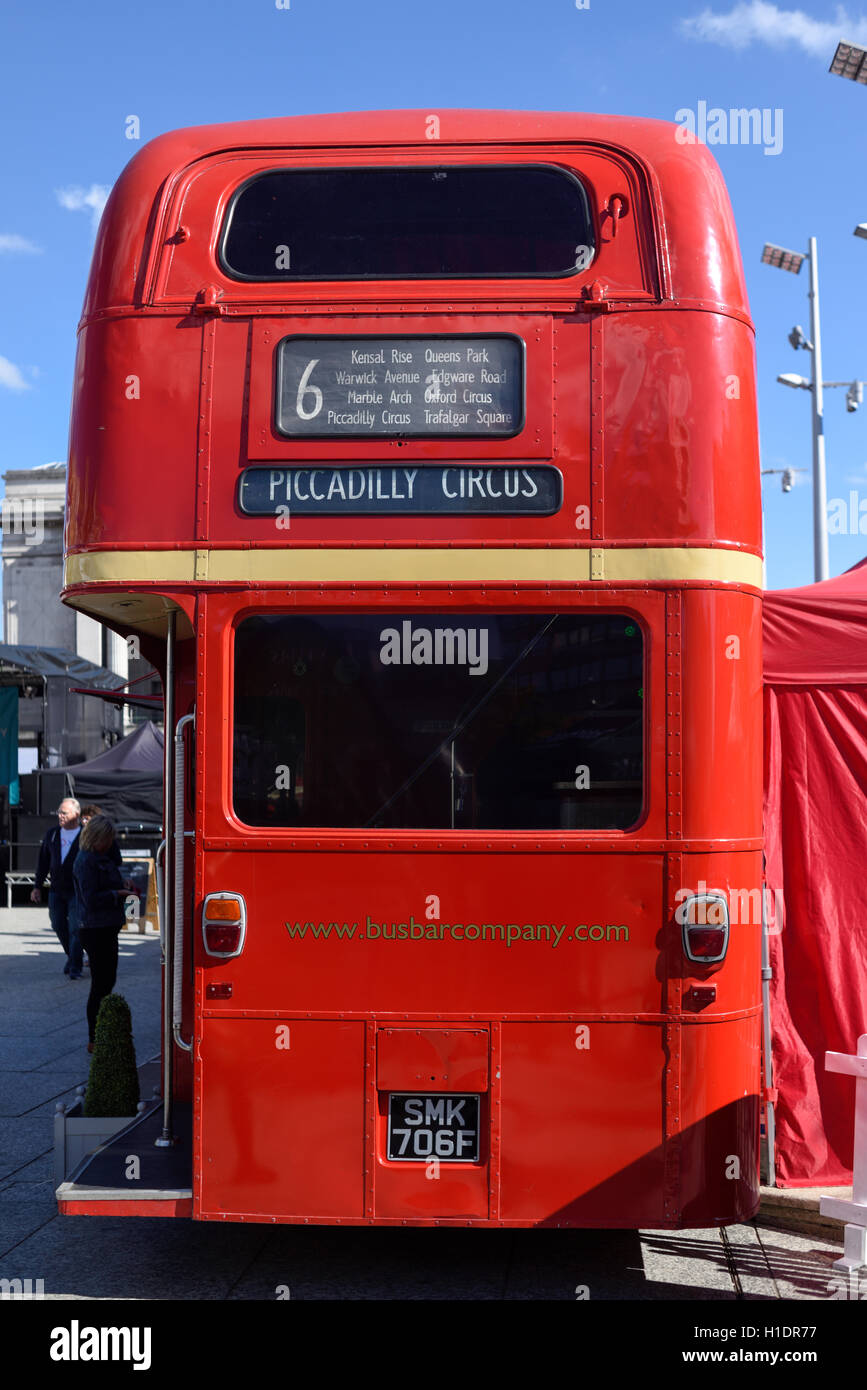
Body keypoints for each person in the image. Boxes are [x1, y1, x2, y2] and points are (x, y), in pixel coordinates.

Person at [73, 815, 128, 1052]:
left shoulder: (103, 857)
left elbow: (116, 860)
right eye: (107, 839)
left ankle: (102, 1030)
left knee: (107, 981)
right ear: (96, 838)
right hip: (94, 927)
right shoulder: (85, 861)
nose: (110, 843)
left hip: (106, 925)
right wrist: (117, 894)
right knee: (101, 983)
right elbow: (91, 899)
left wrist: (122, 888)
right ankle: (94, 1037)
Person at [31, 798, 83, 979]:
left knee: (75, 927)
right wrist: (37, 886)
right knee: (57, 924)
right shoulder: (52, 834)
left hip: (77, 890)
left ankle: (75, 966)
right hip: (56, 889)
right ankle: (73, 956)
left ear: (76, 814)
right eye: (59, 812)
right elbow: (43, 862)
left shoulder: (84, 835)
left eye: (64, 813)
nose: (60, 816)